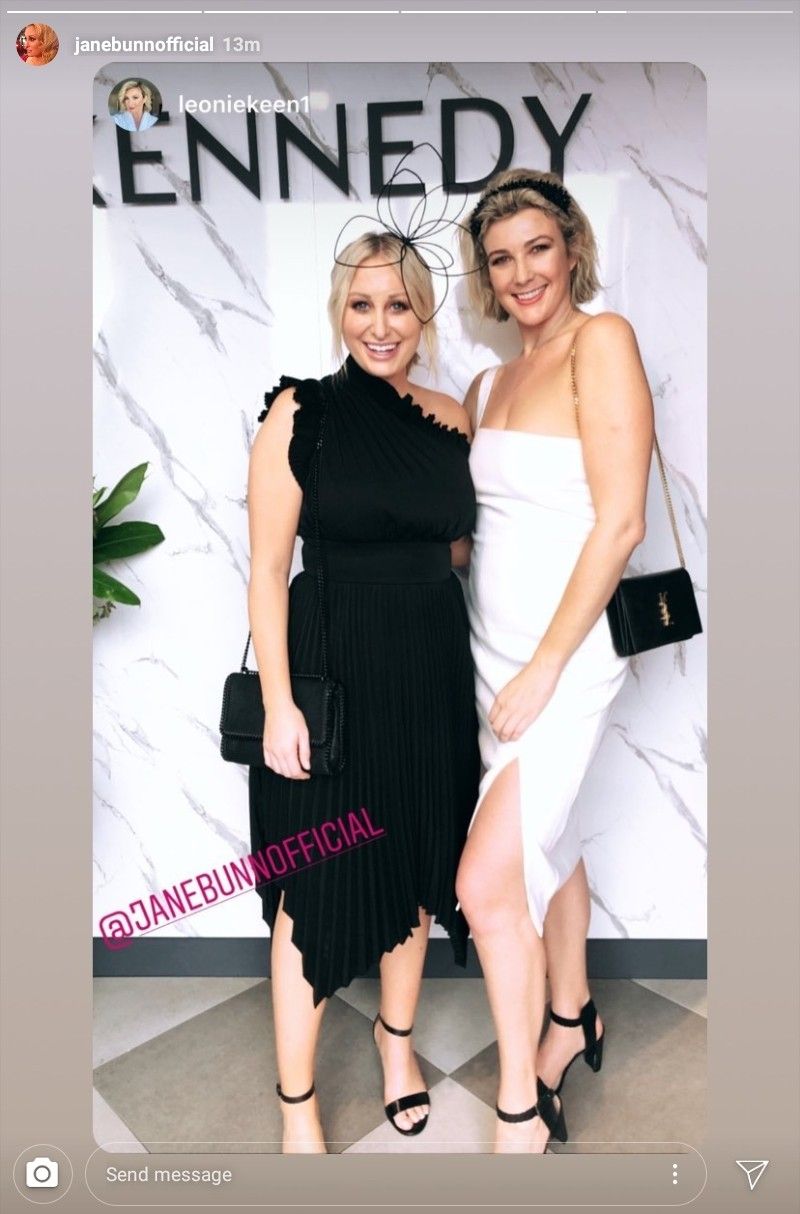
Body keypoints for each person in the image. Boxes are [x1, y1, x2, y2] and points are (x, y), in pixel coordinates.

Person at [247, 230, 479, 1152]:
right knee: (315, 882)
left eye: (399, 305)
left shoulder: (453, 417)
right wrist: (278, 704)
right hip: (331, 668)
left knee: (418, 864)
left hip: (429, 666)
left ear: (424, 314)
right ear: (338, 311)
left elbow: (458, 548)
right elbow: (268, 570)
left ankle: (395, 1046)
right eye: (361, 304)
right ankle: (297, 1104)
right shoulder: (299, 412)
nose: (380, 325)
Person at [456, 169, 654, 1153]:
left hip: (563, 656)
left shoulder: (600, 340)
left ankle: (518, 1105)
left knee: (485, 883)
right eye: (501, 258)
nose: (522, 272)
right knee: (551, 832)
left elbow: (619, 523)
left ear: (571, 248)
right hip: (488, 652)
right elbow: (477, 536)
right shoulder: (486, 383)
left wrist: (541, 667)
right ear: (486, 279)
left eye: (538, 247)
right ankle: (571, 1016)